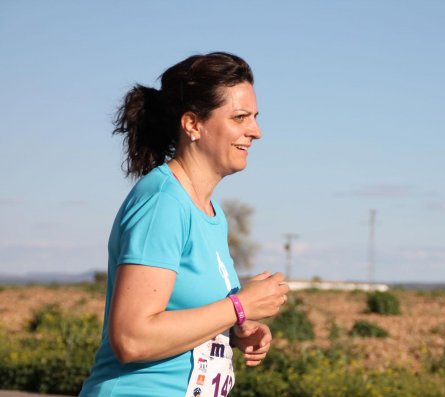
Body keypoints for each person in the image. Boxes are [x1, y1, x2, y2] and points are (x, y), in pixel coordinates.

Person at [80, 52, 289, 397]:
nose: (256, 131)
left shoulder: (210, 213)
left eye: (254, 117)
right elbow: (131, 338)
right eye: (240, 117)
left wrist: (235, 331)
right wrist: (240, 306)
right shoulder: (163, 203)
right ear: (192, 124)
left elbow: (185, 313)